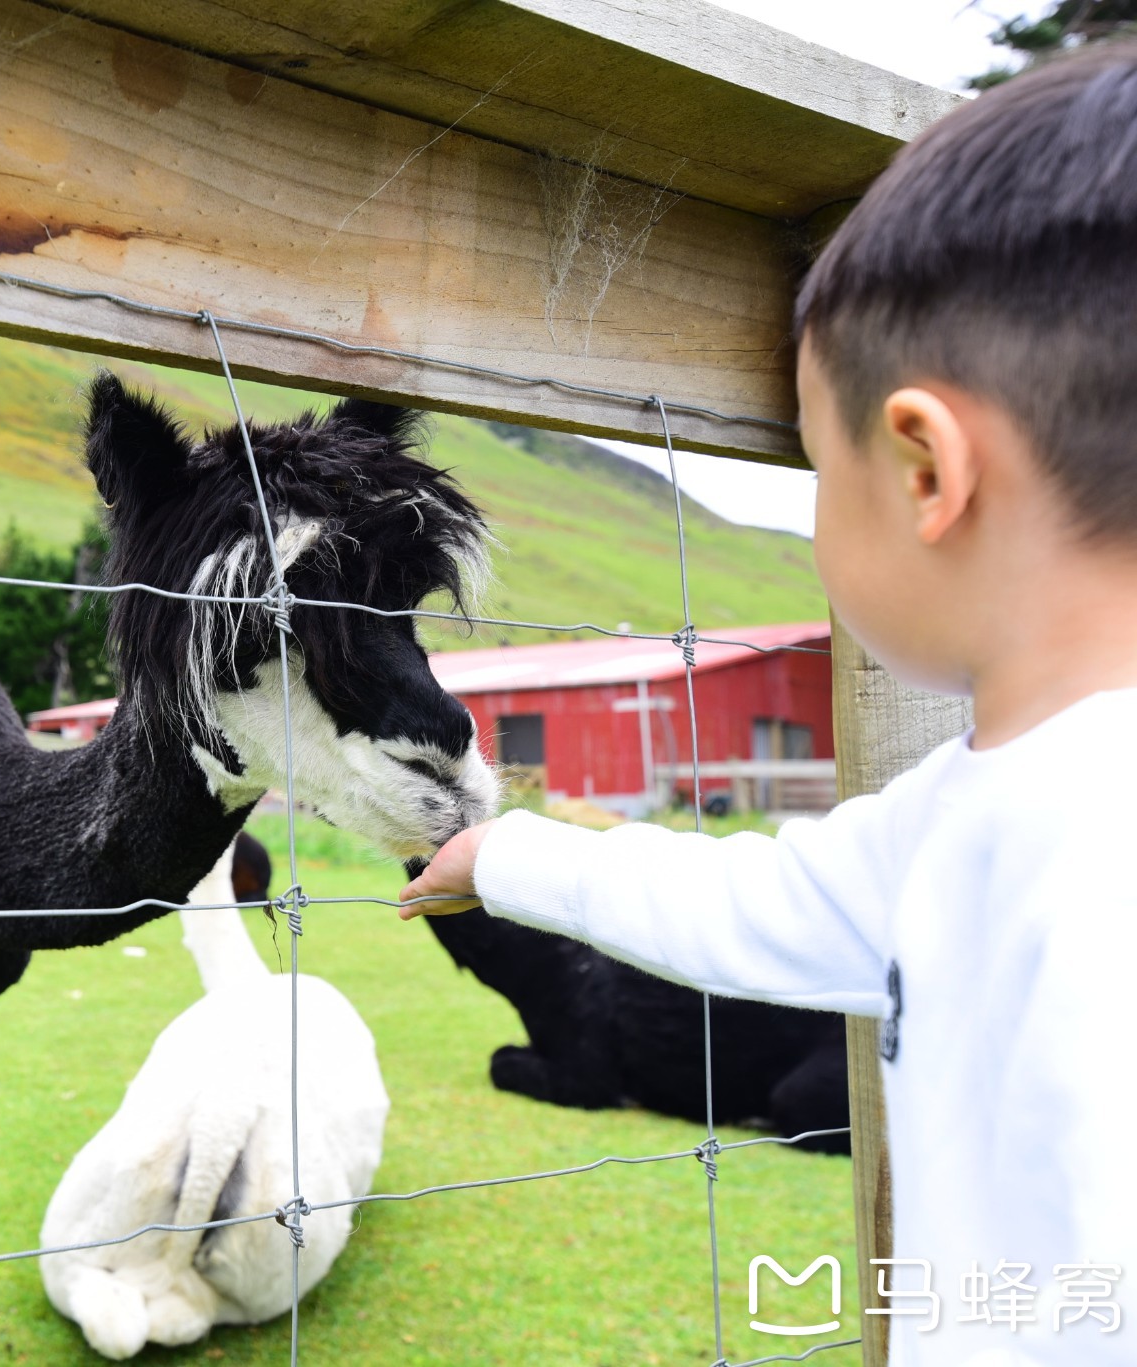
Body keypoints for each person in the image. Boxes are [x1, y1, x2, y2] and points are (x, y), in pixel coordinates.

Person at [400, 44, 1137, 1366]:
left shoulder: (1096, 857)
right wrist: (507, 853)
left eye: (815, 468)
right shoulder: (960, 816)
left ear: (922, 470)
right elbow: (755, 908)